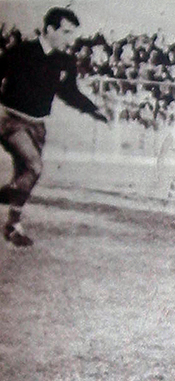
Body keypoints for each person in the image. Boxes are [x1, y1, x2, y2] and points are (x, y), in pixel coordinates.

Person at [0, 7, 107, 246]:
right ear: (50, 29)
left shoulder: (64, 61)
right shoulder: (21, 51)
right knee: (35, 167)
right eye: (66, 32)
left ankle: (13, 225)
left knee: (26, 174)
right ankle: (7, 195)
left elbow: (69, 92)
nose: (70, 39)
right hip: (11, 120)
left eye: (72, 33)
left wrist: (93, 109)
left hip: (38, 126)